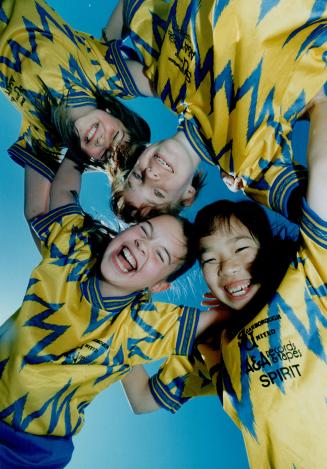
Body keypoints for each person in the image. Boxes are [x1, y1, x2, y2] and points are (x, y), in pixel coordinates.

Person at [120, 95, 327, 467]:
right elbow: (141, 398)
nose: (227, 267)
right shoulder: (216, 346)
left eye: (241, 248)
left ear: (267, 249)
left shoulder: (311, 277)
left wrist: (318, 104)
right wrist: (118, 306)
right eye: (210, 259)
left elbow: (323, 175)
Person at [0, 155, 221, 468]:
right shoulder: (72, 253)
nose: (144, 246)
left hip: (27, 452)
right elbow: (62, 195)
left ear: (158, 286)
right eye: (143, 232)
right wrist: (77, 150)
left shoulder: (139, 326)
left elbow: (222, 318)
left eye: (160, 254)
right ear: (122, 231)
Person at [102, 0, 327, 222]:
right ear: (187, 196)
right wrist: (320, 105)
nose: (151, 175)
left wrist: (106, 42)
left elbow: (102, 58)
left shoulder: (165, 83)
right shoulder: (246, 166)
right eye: (158, 193)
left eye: (138, 176)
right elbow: (316, 212)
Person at [0, 0, 151, 223]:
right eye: (116, 135)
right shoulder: (98, 70)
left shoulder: (46, 137)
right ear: (114, 113)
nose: (103, 140)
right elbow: (167, 83)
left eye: (107, 154)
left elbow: (35, 213)